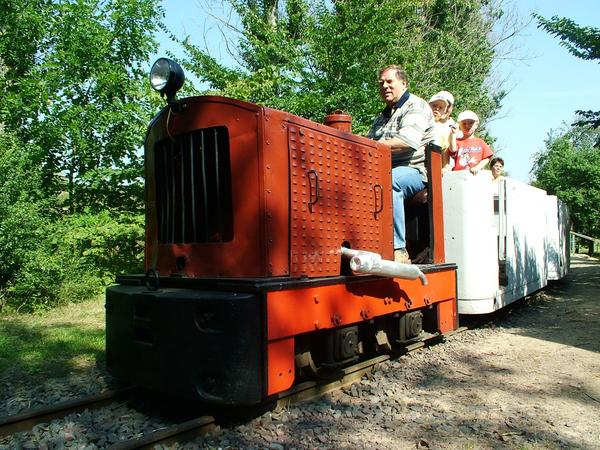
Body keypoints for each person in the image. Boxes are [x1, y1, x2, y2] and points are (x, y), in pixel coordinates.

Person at [367, 65, 435, 264]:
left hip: (415, 171)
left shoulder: (417, 106)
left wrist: (372, 146)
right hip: (384, 169)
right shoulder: (381, 117)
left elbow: (406, 143)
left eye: (390, 82)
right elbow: (367, 143)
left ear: (404, 83)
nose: (385, 86)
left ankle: (398, 249)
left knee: (391, 182)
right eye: (381, 83)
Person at [448, 110, 493, 175]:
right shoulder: (457, 141)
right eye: (464, 123)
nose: (467, 125)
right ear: (460, 125)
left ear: (476, 125)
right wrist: (453, 134)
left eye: (470, 123)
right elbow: (452, 151)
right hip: (458, 175)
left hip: (474, 176)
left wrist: (477, 167)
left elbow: (486, 158)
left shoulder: (480, 142)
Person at [428, 91, 455, 172]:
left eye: (441, 107)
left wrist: (445, 168)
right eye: (435, 105)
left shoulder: (455, 128)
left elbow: (445, 151)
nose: (437, 109)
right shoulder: (419, 121)